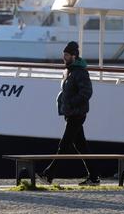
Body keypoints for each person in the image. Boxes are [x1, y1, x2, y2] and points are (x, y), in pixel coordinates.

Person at [39, 41, 100, 186]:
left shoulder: (80, 72)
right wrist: (62, 101)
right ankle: (94, 177)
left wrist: (71, 103)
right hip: (70, 113)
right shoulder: (69, 71)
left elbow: (87, 92)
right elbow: (67, 90)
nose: (64, 57)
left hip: (77, 114)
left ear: (74, 56)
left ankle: (48, 175)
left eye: (66, 55)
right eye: (63, 55)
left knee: (64, 144)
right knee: (81, 146)